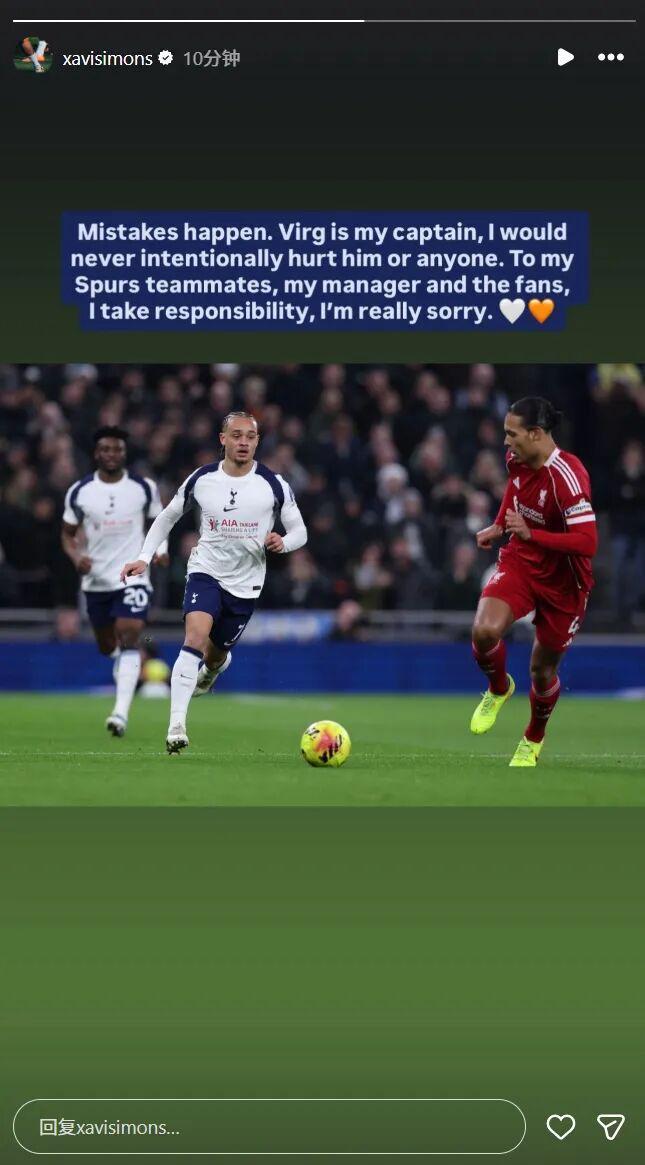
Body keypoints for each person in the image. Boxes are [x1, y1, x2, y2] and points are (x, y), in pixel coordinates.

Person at [121, 411, 308, 755]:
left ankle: (211, 671)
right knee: (194, 637)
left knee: (216, 654)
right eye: (236, 435)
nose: (243, 442)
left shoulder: (273, 484)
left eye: (250, 436)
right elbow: (167, 516)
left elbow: (300, 531)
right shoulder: (203, 478)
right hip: (205, 571)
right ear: (223, 439)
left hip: (246, 584)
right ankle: (176, 726)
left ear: (257, 441)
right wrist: (144, 557)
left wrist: (284, 542)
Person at [470, 397, 597, 767]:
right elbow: (515, 488)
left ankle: (533, 737)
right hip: (522, 562)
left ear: (536, 433)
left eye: (512, 434)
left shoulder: (568, 477)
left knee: (542, 672)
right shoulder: (517, 459)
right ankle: (498, 688)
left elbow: (588, 543)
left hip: (565, 583)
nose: (506, 441)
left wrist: (531, 534)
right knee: (484, 632)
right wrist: (500, 524)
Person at [61, 426, 168, 737]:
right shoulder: (80, 491)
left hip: (133, 575)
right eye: (106, 449)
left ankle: (120, 713)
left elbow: (159, 522)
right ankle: (125, 664)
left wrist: (161, 550)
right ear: (97, 453)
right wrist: (76, 557)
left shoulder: (143, 487)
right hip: (96, 581)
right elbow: (67, 534)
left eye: (117, 449)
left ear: (124, 452)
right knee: (107, 645)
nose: (111, 454)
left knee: (130, 632)